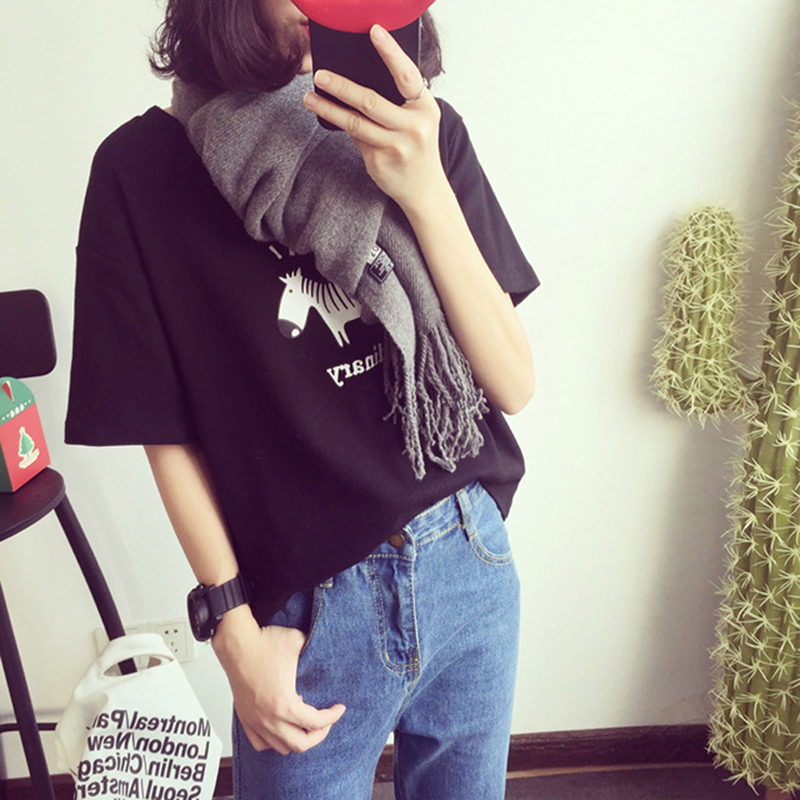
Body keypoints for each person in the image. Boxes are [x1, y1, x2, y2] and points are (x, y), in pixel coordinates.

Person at [65, 0, 539, 797]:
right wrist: (232, 631)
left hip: (468, 562)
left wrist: (425, 190)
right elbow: (165, 430)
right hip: (305, 617)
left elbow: (514, 383)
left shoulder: (417, 130)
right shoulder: (140, 170)